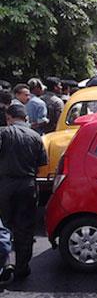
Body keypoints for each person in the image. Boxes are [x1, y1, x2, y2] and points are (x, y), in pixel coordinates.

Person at [0, 104, 48, 279]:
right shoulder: (36, 137)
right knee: (25, 228)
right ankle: (22, 267)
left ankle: (5, 266)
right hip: (28, 185)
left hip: (5, 185)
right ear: (25, 118)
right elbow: (42, 164)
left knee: (4, 226)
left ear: (9, 117)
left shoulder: (3, 133)